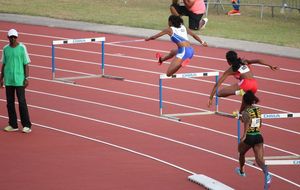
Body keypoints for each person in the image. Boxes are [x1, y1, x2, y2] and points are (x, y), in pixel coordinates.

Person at [208, 50, 279, 111]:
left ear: (228, 61)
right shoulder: (244, 61)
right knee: (241, 112)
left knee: (219, 93)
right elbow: (259, 60)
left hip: (245, 84)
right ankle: (241, 113)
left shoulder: (230, 70)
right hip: (254, 85)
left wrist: (211, 97)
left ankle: (239, 92)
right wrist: (270, 65)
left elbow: (218, 84)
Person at [235, 91, 272, 190]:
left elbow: (246, 122)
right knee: (259, 159)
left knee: (240, 152)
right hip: (259, 136)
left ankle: (242, 170)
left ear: (244, 101)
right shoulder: (258, 110)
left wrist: (244, 136)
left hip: (249, 137)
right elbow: (260, 124)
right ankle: (267, 174)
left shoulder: (245, 112)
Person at [0, 29, 32, 133]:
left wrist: (26, 78)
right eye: (11, 37)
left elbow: (26, 64)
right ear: (8, 37)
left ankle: (27, 125)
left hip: (19, 80)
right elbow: (3, 64)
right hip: (9, 80)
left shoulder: (22, 48)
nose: (13, 38)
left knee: (22, 102)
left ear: (17, 37)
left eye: (15, 37)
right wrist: (1, 78)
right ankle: (13, 125)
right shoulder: (5, 49)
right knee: (9, 103)